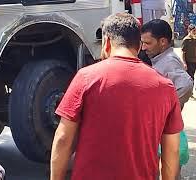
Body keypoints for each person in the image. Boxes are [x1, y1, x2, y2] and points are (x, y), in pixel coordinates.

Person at [51, 13, 183, 180]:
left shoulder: (86, 77)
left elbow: (63, 139)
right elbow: (171, 150)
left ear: (106, 42)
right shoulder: (165, 87)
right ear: (139, 46)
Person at [141, 19, 194, 178]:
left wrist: (165, 110)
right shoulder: (161, 59)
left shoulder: (168, 61)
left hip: (165, 131)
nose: (144, 47)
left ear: (163, 42)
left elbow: (186, 85)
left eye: (148, 43)